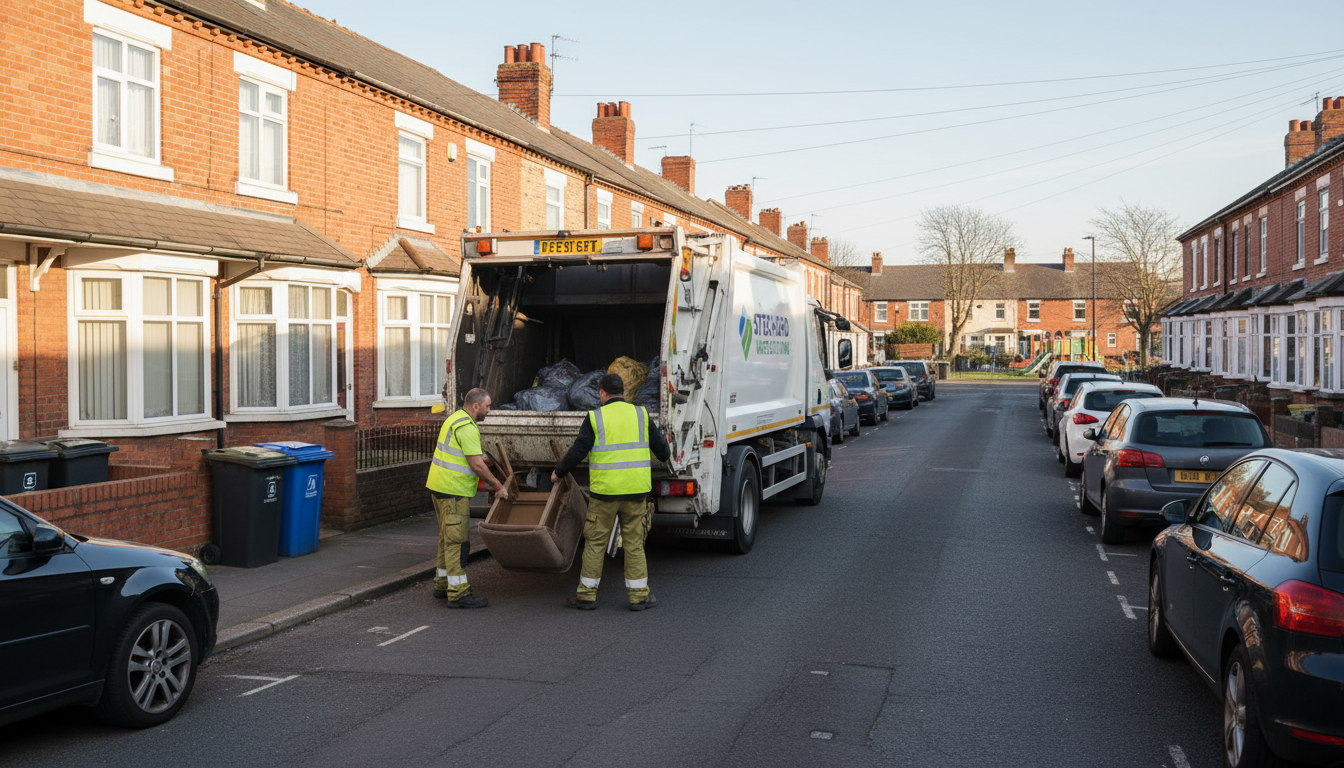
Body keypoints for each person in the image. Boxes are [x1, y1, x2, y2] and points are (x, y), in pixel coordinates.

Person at [552, 373, 670, 611]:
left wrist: (559, 472)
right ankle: (639, 597)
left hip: (604, 493)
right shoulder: (641, 414)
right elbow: (663, 451)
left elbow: (578, 450)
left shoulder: (596, 418)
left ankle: (586, 596)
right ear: (623, 392)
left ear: (602, 393)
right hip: (636, 492)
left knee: (595, 543)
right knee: (634, 544)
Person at [426, 387, 507, 608]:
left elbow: (464, 455)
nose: (489, 410)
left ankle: (442, 584)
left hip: (439, 487)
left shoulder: (455, 419)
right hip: (454, 491)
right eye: (487, 406)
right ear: (475, 406)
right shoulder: (467, 427)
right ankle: (459, 592)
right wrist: (497, 485)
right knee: (457, 542)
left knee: (446, 538)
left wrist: (480, 460)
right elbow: (476, 464)